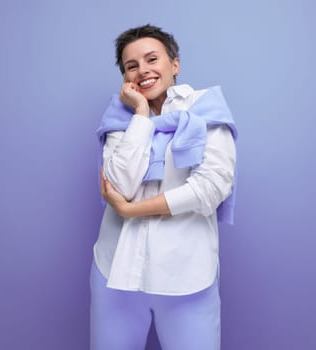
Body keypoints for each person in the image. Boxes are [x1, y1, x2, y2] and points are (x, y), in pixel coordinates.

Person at [91, 24, 237, 350]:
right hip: (115, 269)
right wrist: (141, 115)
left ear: (175, 64)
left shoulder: (205, 109)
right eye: (132, 65)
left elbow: (211, 188)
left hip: (188, 275)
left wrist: (132, 210)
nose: (143, 70)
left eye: (152, 59)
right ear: (126, 77)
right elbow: (119, 184)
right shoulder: (120, 115)